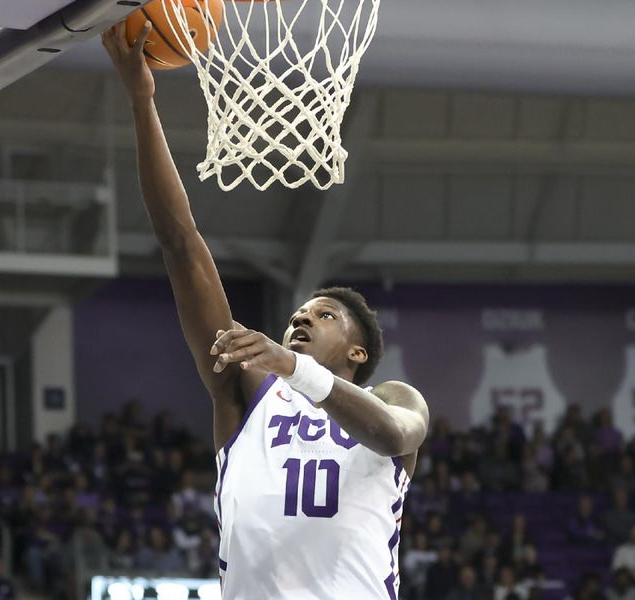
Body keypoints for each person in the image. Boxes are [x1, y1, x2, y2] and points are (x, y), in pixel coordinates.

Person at [101, 21, 429, 600]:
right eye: (298, 313)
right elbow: (180, 245)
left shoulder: (392, 400)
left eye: (324, 315)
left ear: (358, 351)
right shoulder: (246, 390)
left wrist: (293, 367)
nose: (301, 319)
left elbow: (392, 434)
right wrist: (141, 101)